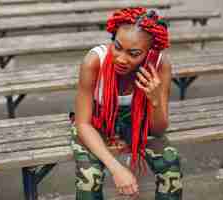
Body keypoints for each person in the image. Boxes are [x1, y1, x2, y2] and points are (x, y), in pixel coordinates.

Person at [70, 7, 182, 200]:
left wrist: (154, 100)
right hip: (98, 119)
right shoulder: (94, 61)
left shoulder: (160, 65)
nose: (121, 59)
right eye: (118, 46)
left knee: (171, 167)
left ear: (149, 52)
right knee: (90, 177)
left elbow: (158, 130)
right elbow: (82, 124)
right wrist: (117, 169)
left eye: (134, 53)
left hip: (139, 120)